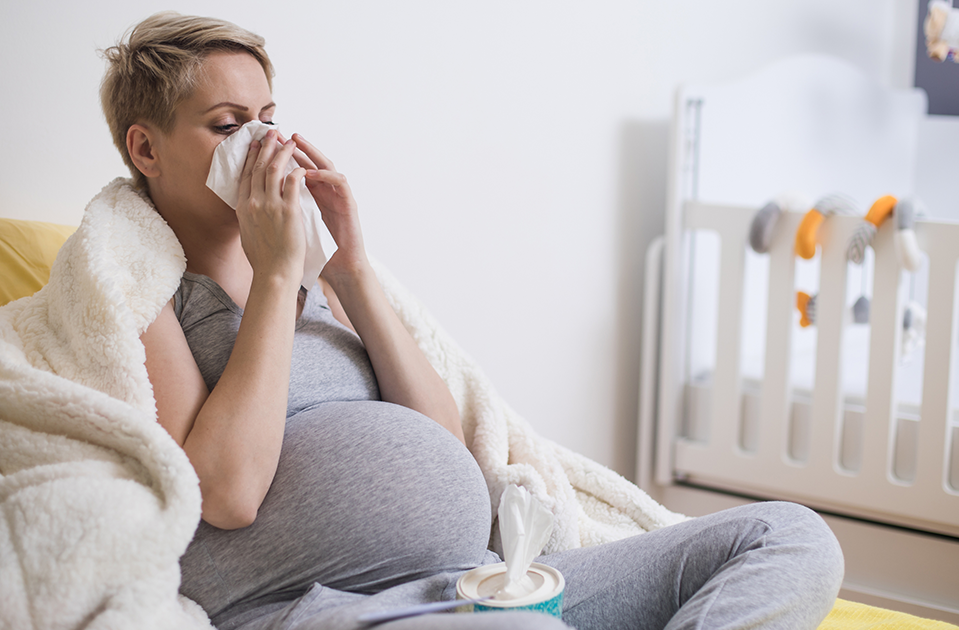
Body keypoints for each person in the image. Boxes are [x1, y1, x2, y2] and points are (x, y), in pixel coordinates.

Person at [102, 12, 844, 630]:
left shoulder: (309, 272)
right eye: (229, 126)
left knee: (788, 536)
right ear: (147, 148)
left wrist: (352, 271)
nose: (264, 146)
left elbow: (444, 442)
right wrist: (270, 276)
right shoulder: (147, 295)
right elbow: (225, 494)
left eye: (269, 120)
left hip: (470, 585)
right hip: (320, 608)